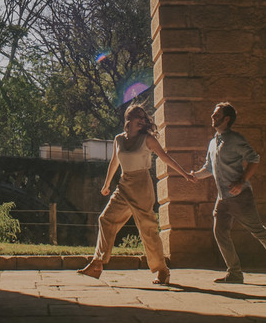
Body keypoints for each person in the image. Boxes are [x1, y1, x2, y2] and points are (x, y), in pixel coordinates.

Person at [77, 102, 196, 285]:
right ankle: (98, 262)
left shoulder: (147, 139)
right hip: (124, 184)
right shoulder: (119, 140)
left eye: (143, 117)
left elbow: (165, 157)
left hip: (142, 185)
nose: (141, 120)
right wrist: (106, 184)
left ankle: (162, 270)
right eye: (138, 116)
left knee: (147, 228)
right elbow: (114, 163)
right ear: (128, 119)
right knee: (106, 219)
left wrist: (185, 174)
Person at [190, 102, 266, 283]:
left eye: (216, 115)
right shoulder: (213, 142)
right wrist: (196, 176)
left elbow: (254, 159)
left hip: (240, 197)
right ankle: (235, 273)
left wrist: (241, 181)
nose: (212, 118)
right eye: (213, 114)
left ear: (226, 119)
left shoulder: (236, 139)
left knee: (257, 231)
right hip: (223, 198)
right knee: (220, 231)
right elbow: (209, 168)